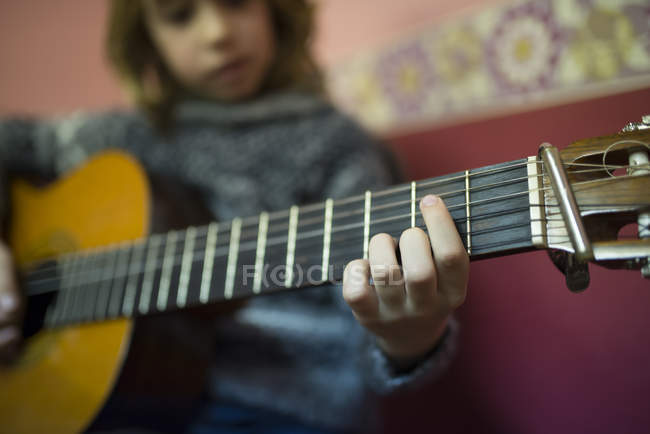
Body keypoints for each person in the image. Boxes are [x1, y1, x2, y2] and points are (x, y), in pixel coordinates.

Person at [0, 0, 469, 432]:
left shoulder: (335, 145)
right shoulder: (118, 137)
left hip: (291, 410)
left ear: (275, 10)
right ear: (146, 37)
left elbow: (371, 341)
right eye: (180, 14)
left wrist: (409, 339)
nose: (217, 32)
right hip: (118, 405)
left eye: (237, 1)